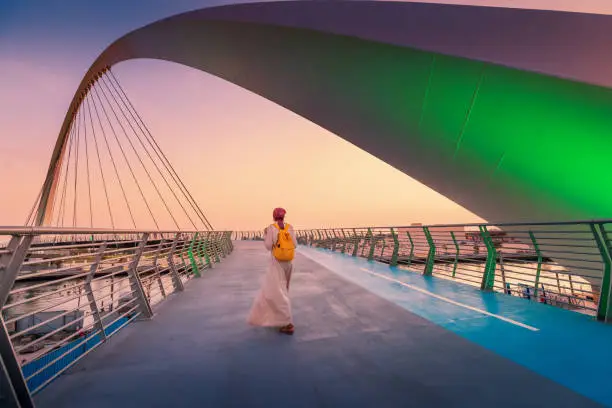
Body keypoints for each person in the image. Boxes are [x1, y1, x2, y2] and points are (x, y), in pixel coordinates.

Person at [247, 207, 297, 335]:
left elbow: (268, 246)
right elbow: (295, 244)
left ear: (274, 216)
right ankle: (280, 319)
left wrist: (266, 235)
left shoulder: (271, 228)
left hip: (277, 263)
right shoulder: (289, 227)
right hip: (289, 263)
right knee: (283, 290)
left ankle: (287, 323)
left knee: (277, 292)